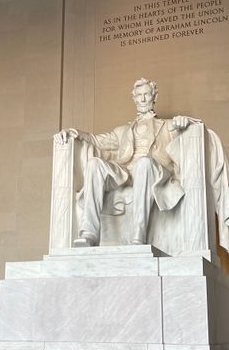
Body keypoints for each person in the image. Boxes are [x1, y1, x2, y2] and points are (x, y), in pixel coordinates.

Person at [54, 78, 196, 246]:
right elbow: (95, 140)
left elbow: (192, 131)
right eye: (139, 95)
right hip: (127, 173)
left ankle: (137, 236)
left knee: (144, 163)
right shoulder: (122, 131)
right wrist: (72, 132)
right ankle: (89, 233)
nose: (143, 99)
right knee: (94, 164)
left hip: (154, 172)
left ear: (154, 97)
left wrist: (184, 123)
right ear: (134, 98)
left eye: (147, 94)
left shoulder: (168, 125)